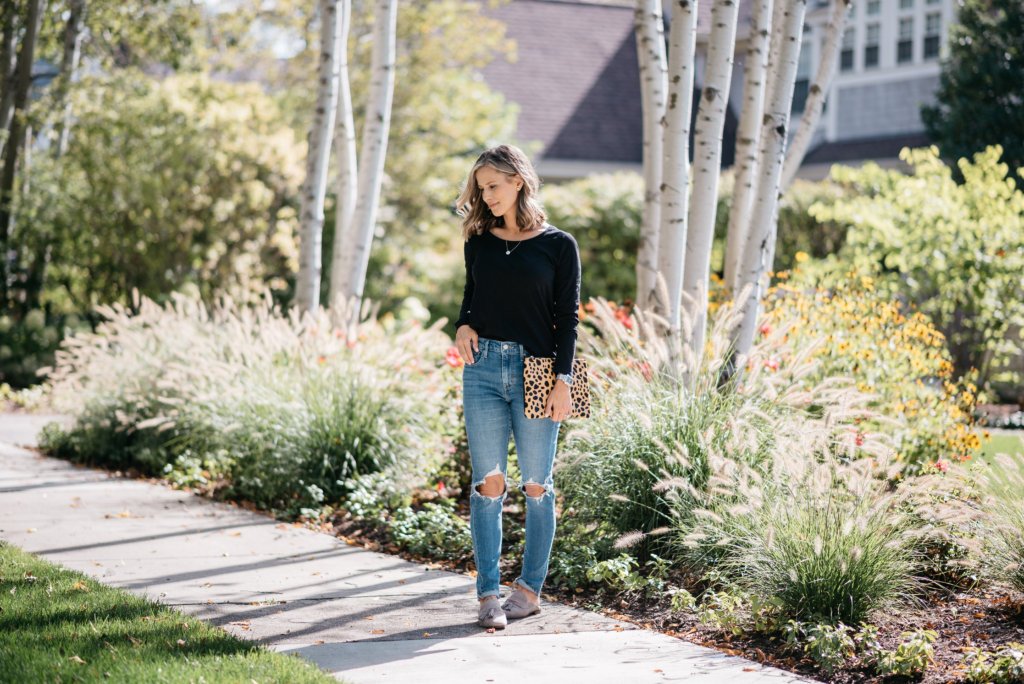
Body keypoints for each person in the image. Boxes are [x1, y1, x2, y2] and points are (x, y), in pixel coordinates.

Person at [453, 144, 582, 630]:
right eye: (481, 189)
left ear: (518, 181)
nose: (486, 197)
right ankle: (488, 594)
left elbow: (566, 320)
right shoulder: (480, 241)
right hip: (483, 368)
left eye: (494, 186)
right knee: (488, 483)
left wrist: (563, 380)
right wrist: (463, 325)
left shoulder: (558, 245)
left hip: (538, 370)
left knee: (535, 484)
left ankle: (528, 591)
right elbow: (471, 301)